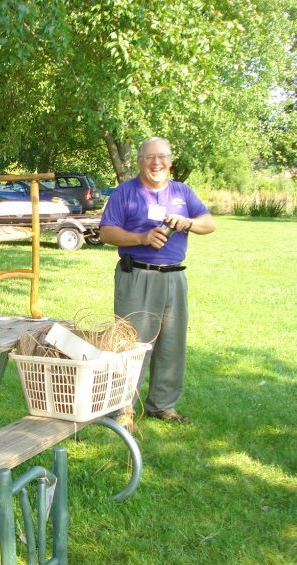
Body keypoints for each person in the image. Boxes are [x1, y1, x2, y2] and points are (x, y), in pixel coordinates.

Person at [99, 137, 216, 424]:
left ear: (170, 161)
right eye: (149, 157)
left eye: (162, 157)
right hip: (136, 275)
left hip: (175, 277)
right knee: (131, 342)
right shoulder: (125, 193)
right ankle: (122, 408)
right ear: (139, 162)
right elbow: (106, 233)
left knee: (172, 343)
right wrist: (142, 237)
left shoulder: (182, 192)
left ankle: (162, 405)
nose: (156, 162)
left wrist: (187, 222)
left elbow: (209, 223)